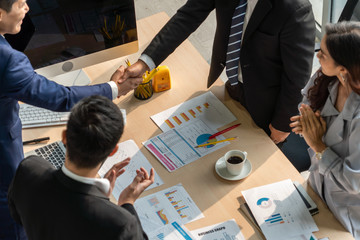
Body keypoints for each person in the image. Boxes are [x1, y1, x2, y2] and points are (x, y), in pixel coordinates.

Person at [0, 0, 142, 238]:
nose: (27, 7)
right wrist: (114, 89)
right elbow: (60, 98)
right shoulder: (7, 62)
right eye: (20, 3)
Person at [124, 0, 315, 146]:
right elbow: (188, 17)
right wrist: (146, 62)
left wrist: (282, 123)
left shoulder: (295, 10)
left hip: (268, 107)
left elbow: (297, 76)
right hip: (233, 86)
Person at [8, 95, 154, 240]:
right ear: (112, 151)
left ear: (65, 137)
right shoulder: (121, 224)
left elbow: (17, 216)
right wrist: (126, 203)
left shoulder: (29, 169)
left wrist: (99, 196)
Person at [290, 21, 360, 238]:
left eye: (324, 54)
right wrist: (306, 127)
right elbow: (306, 105)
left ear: (344, 69)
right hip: (315, 187)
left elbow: (354, 183)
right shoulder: (326, 78)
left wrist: (317, 144)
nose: (317, 56)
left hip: (344, 216)